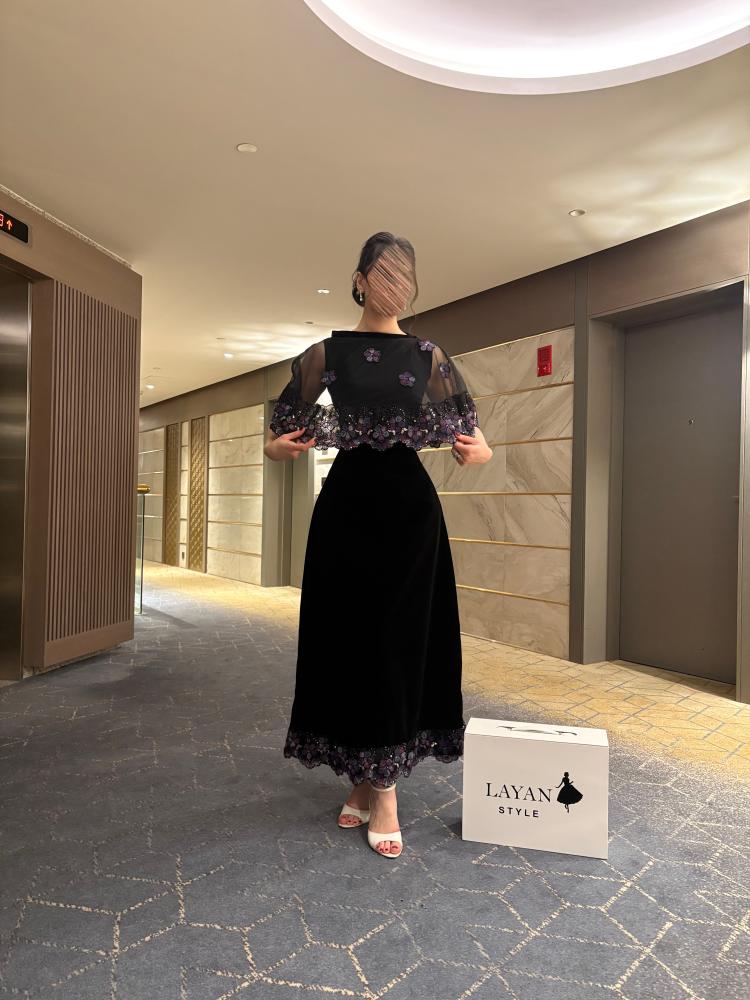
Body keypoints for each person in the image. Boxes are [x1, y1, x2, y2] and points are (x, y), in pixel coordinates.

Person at [264, 232, 492, 858]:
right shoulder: (326, 353)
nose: (394, 285)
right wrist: (279, 447)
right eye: (383, 273)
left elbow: (474, 437)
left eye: (404, 275)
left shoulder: (428, 355)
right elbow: (280, 434)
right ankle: (365, 775)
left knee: (398, 638)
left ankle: (382, 786)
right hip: (345, 510)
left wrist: (479, 451)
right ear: (359, 279)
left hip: (410, 515)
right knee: (348, 636)